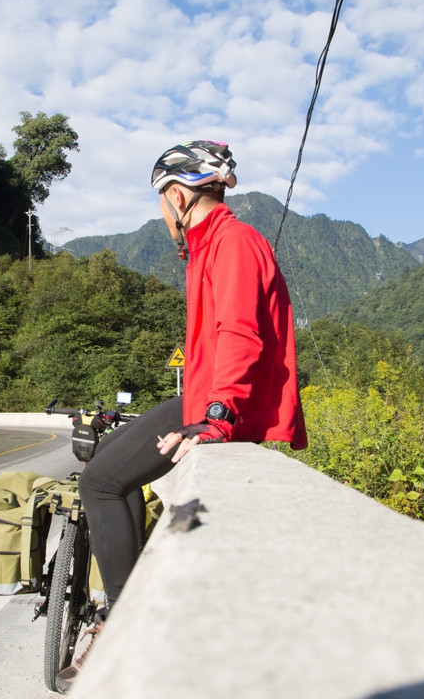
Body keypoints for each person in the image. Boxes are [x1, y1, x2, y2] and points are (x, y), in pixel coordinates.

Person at [61, 140, 308, 685]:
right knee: (110, 472)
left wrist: (217, 417)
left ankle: (123, 626)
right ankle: (128, 613)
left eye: (160, 205)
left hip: (223, 406)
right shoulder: (209, 247)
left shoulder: (234, 243)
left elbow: (241, 334)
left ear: (176, 195)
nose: (161, 218)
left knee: (101, 481)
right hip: (207, 398)